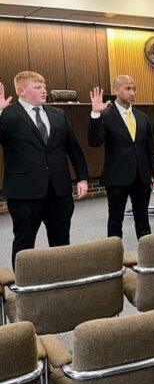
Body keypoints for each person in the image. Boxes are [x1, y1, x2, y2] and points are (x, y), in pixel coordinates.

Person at [0, 71, 89, 267]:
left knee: (61, 241)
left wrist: (82, 178)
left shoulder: (58, 114)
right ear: (21, 91)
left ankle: (61, 277)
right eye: (37, 87)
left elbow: (73, 149)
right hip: (24, 193)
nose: (44, 91)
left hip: (59, 190)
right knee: (24, 242)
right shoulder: (6, 115)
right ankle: (24, 282)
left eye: (44, 86)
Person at [88, 76, 154, 240]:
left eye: (134, 89)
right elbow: (94, 142)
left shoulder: (141, 117)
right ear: (116, 90)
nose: (132, 92)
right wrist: (95, 114)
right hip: (116, 177)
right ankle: (114, 254)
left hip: (141, 176)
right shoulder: (105, 115)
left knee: (143, 221)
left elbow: (150, 149)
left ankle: (146, 252)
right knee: (115, 220)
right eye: (127, 88)